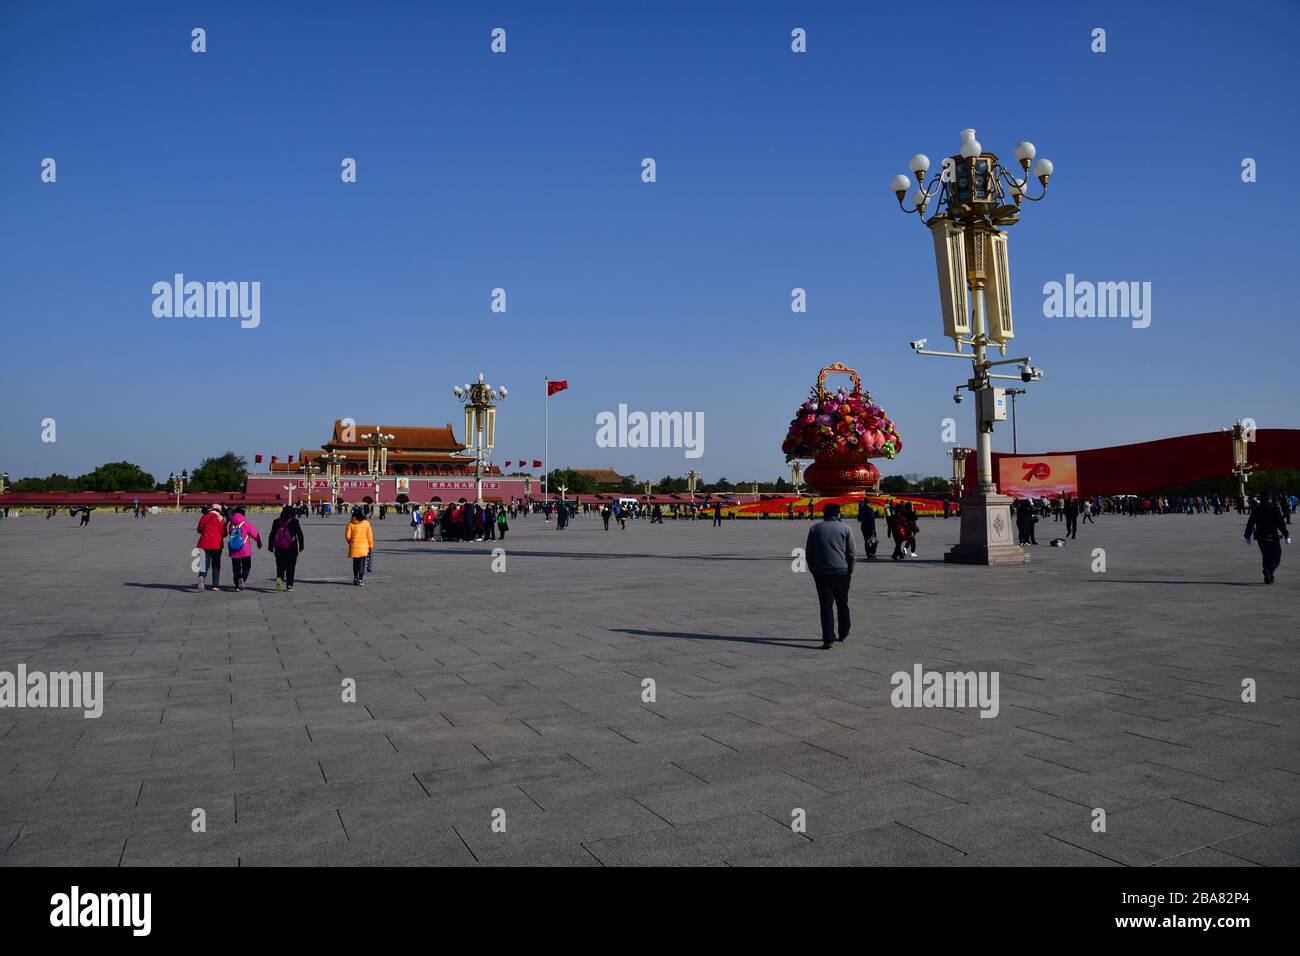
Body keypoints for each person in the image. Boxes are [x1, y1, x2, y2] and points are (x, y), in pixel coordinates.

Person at [805, 504, 855, 649]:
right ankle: (844, 632)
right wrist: (849, 570)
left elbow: (809, 553)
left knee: (825, 606)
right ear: (838, 514)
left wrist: (814, 570)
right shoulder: (846, 528)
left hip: (822, 573)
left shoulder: (815, 528)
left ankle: (828, 638)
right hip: (841, 572)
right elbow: (851, 553)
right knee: (842, 603)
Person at [1245, 492, 1290, 585]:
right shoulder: (1274, 509)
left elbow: (1250, 523)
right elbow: (1281, 524)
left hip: (1260, 537)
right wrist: (1286, 535)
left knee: (1266, 556)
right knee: (1276, 556)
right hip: (1273, 536)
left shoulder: (1256, 509)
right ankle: (1269, 570)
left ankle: (1268, 577)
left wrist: (1247, 535)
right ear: (1269, 498)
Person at [268, 506, 305, 591]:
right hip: (291, 549)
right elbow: (300, 534)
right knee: (291, 568)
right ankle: (289, 586)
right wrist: (301, 546)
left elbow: (272, 535)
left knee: (280, 566)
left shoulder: (276, 521)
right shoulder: (295, 521)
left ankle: (279, 578)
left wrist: (271, 547)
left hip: (279, 548)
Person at [226, 506, 262, 591]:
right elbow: (255, 534)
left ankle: (236, 585)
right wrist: (259, 543)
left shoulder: (231, 524)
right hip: (245, 549)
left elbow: (230, 534)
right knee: (246, 566)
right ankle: (242, 578)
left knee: (236, 568)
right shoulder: (246, 524)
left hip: (233, 549)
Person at [195, 503, 226, 591]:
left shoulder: (204, 517)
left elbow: (199, 530)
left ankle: (202, 576)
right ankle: (215, 585)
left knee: (204, 563)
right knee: (216, 564)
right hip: (216, 544)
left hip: (204, 543)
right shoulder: (220, 518)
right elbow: (224, 533)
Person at [346, 506, 373, 585]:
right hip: (364, 548)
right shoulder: (366, 523)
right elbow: (370, 536)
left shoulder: (350, 524)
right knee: (362, 564)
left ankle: (355, 577)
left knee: (355, 564)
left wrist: (351, 543)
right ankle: (360, 579)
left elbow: (347, 536)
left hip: (354, 548)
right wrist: (370, 546)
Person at [857, 495, 879, 560]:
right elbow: (872, 519)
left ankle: (869, 554)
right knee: (874, 541)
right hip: (870, 527)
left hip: (864, 527)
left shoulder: (861, 509)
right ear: (869, 502)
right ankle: (872, 553)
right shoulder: (869, 509)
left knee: (866, 541)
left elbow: (859, 519)